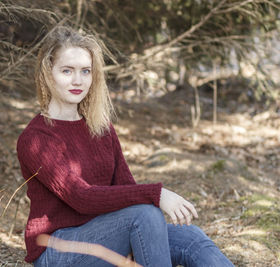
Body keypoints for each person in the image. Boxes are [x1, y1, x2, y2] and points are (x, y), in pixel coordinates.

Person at [16, 26, 234, 267]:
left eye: (85, 71)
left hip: (108, 236)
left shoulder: (100, 127)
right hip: (57, 250)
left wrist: (144, 209)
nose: (78, 80)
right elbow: (81, 197)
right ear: (48, 73)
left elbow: (126, 189)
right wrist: (157, 194)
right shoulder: (36, 138)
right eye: (67, 71)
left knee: (191, 237)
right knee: (145, 214)